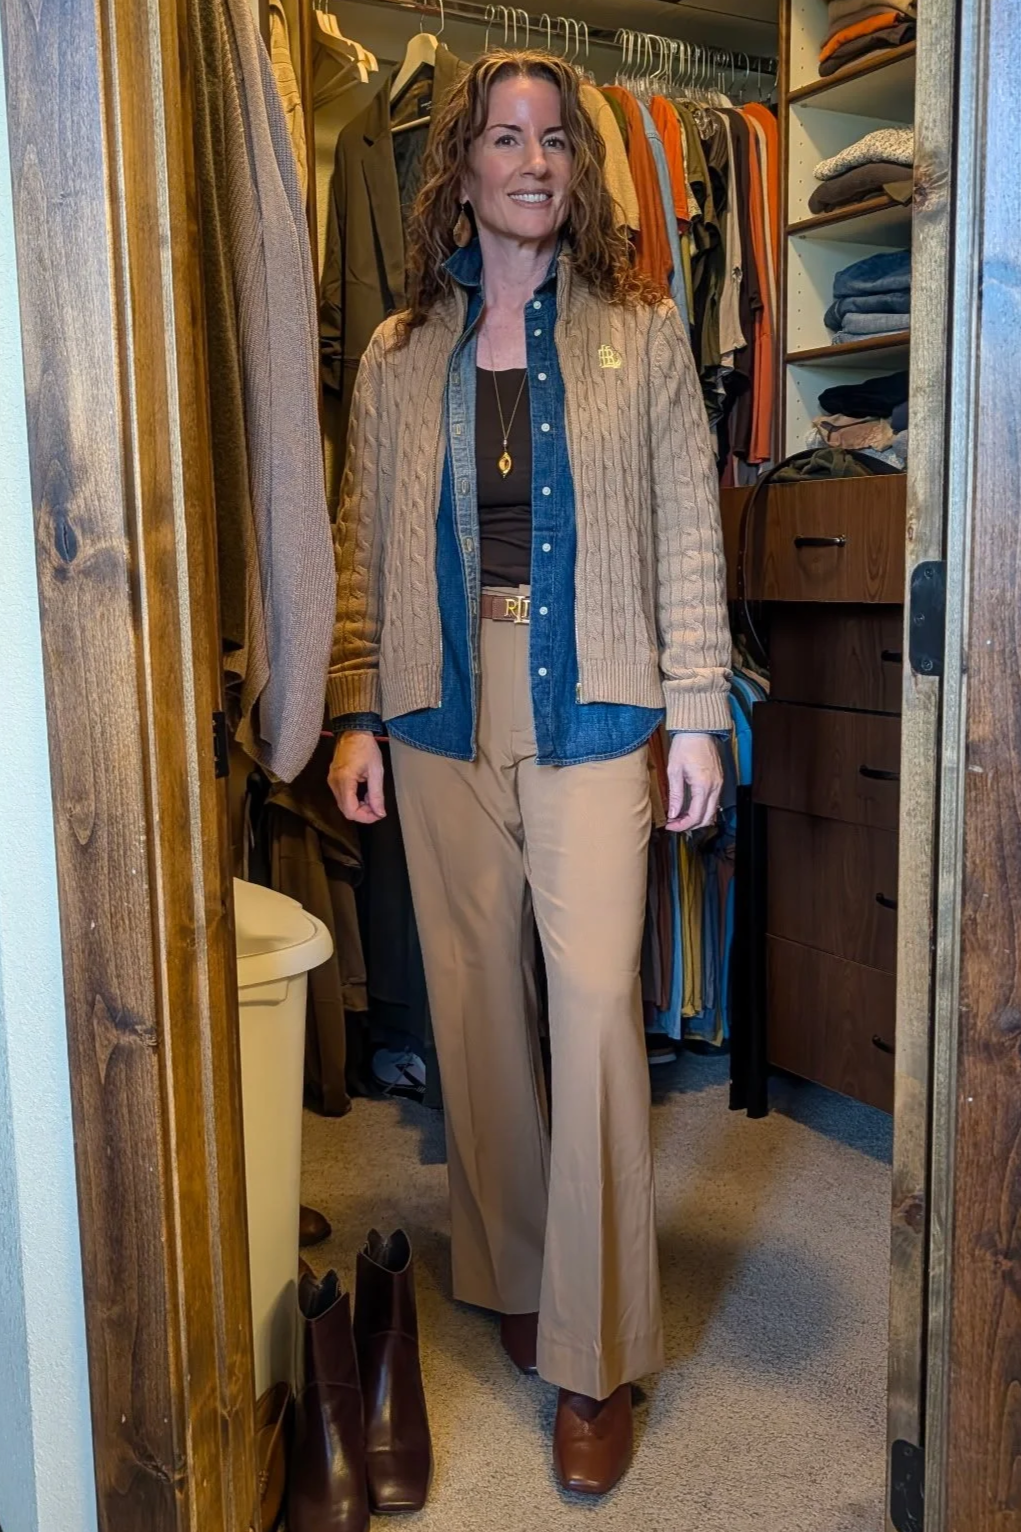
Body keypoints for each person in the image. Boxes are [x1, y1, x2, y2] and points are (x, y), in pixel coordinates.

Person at [327, 48, 730, 1495]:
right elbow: (366, 539)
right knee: (476, 1005)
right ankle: (510, 1262)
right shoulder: (395, 352)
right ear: (464, 165)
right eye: (505, 138)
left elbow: (689, 520)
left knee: (603, 1006)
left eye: (554, 139)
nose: (535, 160)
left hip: (600, 698)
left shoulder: (641, 326)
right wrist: (356, 713)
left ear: (580, 165)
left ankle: (599, 1347)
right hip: (442, 703)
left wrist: (696, 711)